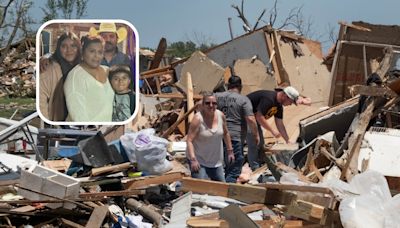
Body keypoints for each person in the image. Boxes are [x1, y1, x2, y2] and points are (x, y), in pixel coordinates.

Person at [215, 75, 260, 183]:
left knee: (217, 167)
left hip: (216, 137)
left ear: (228, 86)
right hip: (234, 138)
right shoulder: (243, 99)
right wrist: (256, 133)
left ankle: (216, 191)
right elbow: (250, 119)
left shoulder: (216, 97)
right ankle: (227, 195)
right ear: (240, 87)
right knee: (233, 169)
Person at [246, 87, 299, 171]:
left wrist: (287, 140)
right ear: (286, 96)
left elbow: (280, 124)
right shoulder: (269, 99)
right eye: (291, 102)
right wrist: (272, 130)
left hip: (253, 121)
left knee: (260, 144)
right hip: (243, 118)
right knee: (254, 145)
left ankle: (257, 167)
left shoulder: (278, 105)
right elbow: (260, 117)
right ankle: (255, 170)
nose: (290, 104)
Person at [64, 35, 115, 122]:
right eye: (92, 51)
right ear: (83, 52)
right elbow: (78, 117)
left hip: (107, 129)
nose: (96, 56)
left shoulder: (107, 70)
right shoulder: (76, 76)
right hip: (88, 132)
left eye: (100, 52)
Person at [40, 23, 131, 72]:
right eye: (104, 36)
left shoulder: (124, 59)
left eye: (111, 36)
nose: (108, 39)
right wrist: (46, 58)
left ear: (117, 39)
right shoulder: (87, 56)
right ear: (100, 39)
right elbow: (68, 53)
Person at [186, 91, 234, 182]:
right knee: (201, 189)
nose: (211, 105)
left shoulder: (220, 115)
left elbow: (226, 133)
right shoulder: (198, 119)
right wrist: (193, 160)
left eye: (214, 103)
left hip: (215, 160)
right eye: (208, 103)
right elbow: (189, 141)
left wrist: (230, 151)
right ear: (203, 104)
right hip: (198, 159)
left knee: (221, 189)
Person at [39, 32, 81, 121]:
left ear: (78, 48)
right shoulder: (49, 68)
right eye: (64, 46)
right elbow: (41, 102)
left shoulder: (83, 67)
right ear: (59, 48)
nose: (69, 50)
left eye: (73, 46)